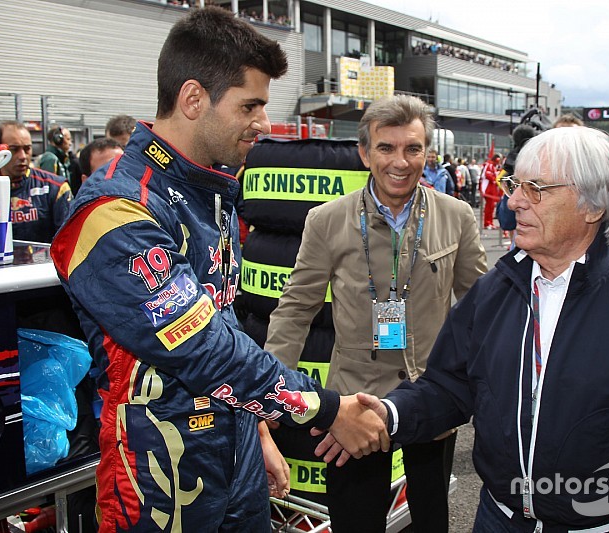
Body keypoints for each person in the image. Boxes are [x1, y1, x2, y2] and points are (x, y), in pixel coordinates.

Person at [49, 8, 385, 531]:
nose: (263, 123)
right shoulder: (115, 208)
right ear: (192, 98)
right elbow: (202, 345)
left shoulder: (209, 188)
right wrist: (326, 408)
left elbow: (226, 322)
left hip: (236, 454)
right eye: (250, 105)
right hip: (158, 473)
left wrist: (258, 431)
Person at [322, 126, 609, 532]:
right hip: (498, 519)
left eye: (535, 189)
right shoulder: (496, 290)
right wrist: (389, 413)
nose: (513, 202)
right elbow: (449, 384)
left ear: (592, 206)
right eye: (515, 185)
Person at [265, 94, 487, 533]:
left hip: (429, 400)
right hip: (355, 405)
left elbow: (481, 311)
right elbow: (294, 310)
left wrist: (482, 387)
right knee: (356, 522)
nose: (400, 162)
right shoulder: (327, 221)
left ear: (427, 153)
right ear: (365, 154)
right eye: (386, 148)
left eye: (413, 148)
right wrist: (270, 395)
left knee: (431, 522)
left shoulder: (457, 217)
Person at [0, 122, 72, 243]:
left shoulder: (55, 188)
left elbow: (68, 241)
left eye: (27, 149)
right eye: (14, 149)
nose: (23, 156)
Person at [480, 152, 501, 229]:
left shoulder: (493, 166)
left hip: (492, 189)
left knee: (491, 206)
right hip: (488, 189)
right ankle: (487, 223)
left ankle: (490, 222)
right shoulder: (489, 165)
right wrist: (495, 179)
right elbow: (487, 175)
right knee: (489, 207)